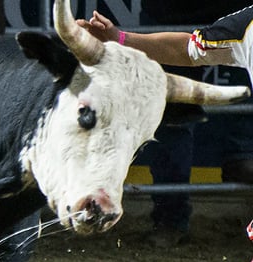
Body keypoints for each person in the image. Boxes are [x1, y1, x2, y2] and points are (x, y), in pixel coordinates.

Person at [78, 5, 253, 247]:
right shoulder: (248, 26)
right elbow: (186, 49)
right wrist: (118, 38)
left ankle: (172, 220)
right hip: (170, 12)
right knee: (171, 123)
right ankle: (170, 221)